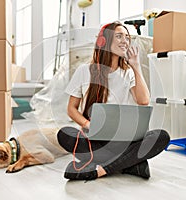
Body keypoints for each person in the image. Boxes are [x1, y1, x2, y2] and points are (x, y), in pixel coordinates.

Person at [57, 21, 170, 180]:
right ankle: (131, 163)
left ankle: (102, 169)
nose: (125, 41)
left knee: (161, 136)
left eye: (127, 37)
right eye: (119, 36)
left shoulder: (129, 72)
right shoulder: (84, 71)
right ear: (104, 42)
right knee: (64, 134)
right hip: (95, 140)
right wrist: (89, 125)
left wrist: (136, 66)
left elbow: (143, 101)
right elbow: (72, 109)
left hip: (124, 140)